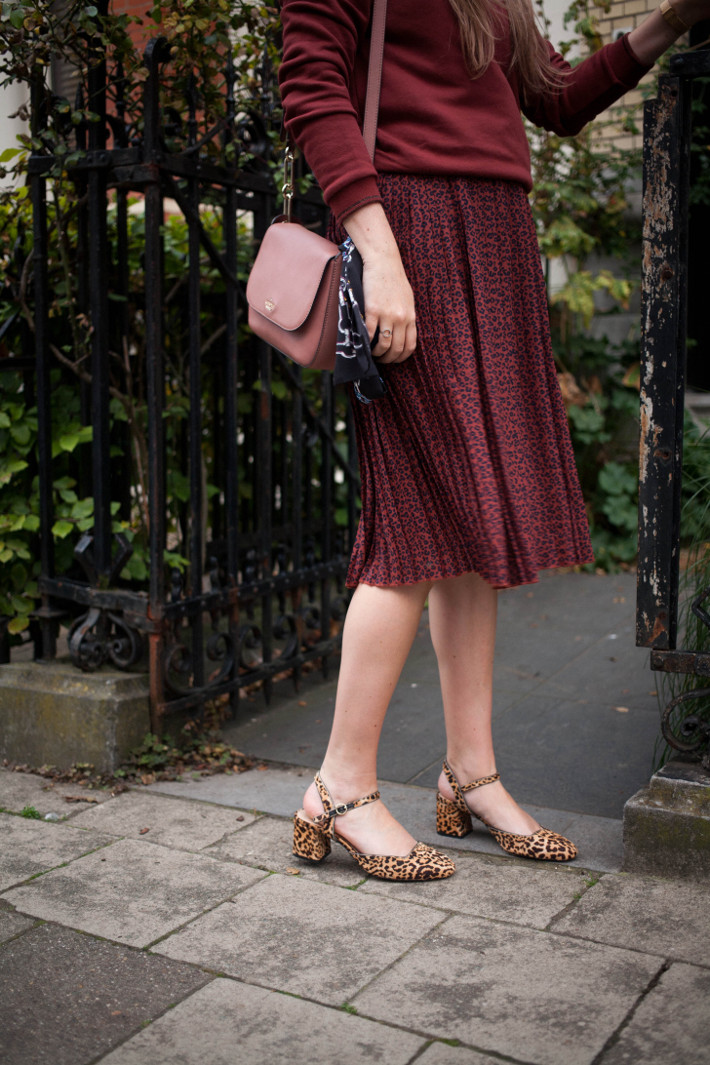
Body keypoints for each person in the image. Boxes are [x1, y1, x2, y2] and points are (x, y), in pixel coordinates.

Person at [279, 0, 706, 881]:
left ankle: (470, 774)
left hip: (496, 235)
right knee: (414, 518)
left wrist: (668, 23)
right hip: (409, 229)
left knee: (476, 517)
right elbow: (312, 87)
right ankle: (340, 785)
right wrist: (381, 250)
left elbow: (551, 94)